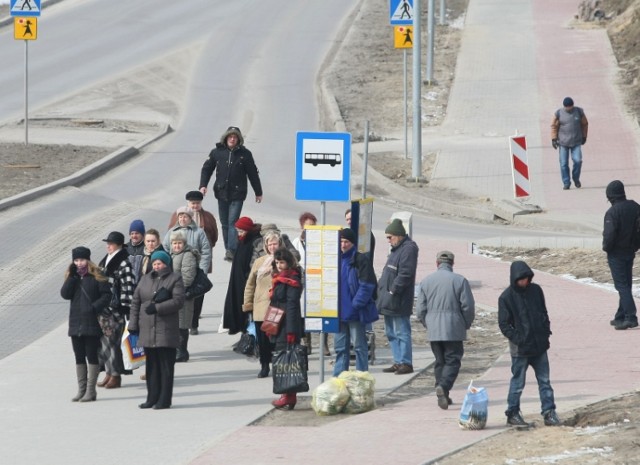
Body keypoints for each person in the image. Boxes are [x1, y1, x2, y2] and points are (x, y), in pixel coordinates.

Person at [498, 260, 560, 427]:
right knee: (518, 383)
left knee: (545, 382)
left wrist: (546, 331)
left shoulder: (536, 290)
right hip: (520, 349)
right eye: (521, 279)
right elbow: (504, 325)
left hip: (539, 345)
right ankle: (512, 413)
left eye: (527, 278)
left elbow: (543, 313)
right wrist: (519, 339)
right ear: (515, 279)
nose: (525, 282)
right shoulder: (506, 297)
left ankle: (549, 413)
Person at [416, 250, 475, 410]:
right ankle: (443, 386)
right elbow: (468, 307)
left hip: (434, 328)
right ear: (452, 264)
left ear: (437, 263)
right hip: (453, 327)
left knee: (440, 361)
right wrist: (465, 323)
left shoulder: (426, 281)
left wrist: (428, 323)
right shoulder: (460, 280)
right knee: (453, 360)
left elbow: (420, 309)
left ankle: (443, 393)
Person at [128, 250, 185, 410]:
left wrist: (158, 307)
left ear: (166, 264)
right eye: (154, 263)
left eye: (159, 263)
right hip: (147, 329)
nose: (156, 266)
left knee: (165, 366)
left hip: (165, 330)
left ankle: (164, 400)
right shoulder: (145, 279)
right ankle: (151, 398)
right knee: (151, 366)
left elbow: (179, 301)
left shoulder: (175, 278)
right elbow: (135, 303)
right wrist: (133, 324)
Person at [199, 126, 263, 262]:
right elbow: (206, 169)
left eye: (235, 137)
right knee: (224, 223)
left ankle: (232, 250)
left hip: (237, 194)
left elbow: (253, 174)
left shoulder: (245, 154)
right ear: (226, 138)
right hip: (221, 192)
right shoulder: (217, 152)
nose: (232, 139)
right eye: (230, 136)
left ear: (238, 140)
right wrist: (203, 185)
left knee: (233, 222)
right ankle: (229, 248)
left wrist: (258, 192)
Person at [60, 246, 112, 402]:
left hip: (92, 323)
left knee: (92, 356)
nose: (79, 263)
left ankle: (91, 391)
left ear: (88, 260)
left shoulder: (97, 275)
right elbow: (64, 294)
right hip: (76, 323)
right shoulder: (73, 276)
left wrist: (94, 307)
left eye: (81, 259)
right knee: (79, 357)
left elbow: (107, 295)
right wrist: (71, 278)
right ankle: (81, 390)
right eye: (76, 260)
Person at [167, 190, 218, 336]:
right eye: (192, 203)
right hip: (178, 266)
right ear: (187, 203)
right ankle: (181, 323)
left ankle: (194, 323)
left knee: (197, 294)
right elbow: (168, 240)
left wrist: (202, 267)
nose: (195, 206)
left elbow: (213, 237)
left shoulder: (207, 217)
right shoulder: (176, 217)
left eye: (197, 203)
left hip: (200, 265)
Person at [333, 228, 378, 376]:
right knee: (340, 349)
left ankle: (361, 377)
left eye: (346, 242)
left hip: (355, 313)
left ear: (352, 243)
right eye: (341, 241)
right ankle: (339, 379)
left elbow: (368, 285)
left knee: (359, 347)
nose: (343, 245)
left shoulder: (360, 260)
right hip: (338, 313)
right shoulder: (334, 258)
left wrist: (356, 304)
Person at [376, 218, 419, 375]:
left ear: (399, 235)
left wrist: (393, 292)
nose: (388, 240)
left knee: (401, 332)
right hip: (388, 299)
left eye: (390, 237)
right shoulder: (396, 249)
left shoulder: (408, 249)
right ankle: (398, 361)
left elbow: (405, 274)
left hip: (398, 300)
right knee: (391, 333)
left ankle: (406, 362)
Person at [97, 231, 136, 389]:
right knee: (104, 343)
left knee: (113, 343)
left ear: (119, 245)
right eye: (108, 243)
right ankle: (109, 372)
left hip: (116, 310)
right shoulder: (106, 260)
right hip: (105, 309)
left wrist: (125, 309)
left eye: (111, 243)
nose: (108, 246)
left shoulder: (124, 262)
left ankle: (116, 375)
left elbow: (129, 287)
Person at [243, 230, 284, 378]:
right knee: (262, 340)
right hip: (260, 306)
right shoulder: (259, 262)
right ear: (266, 246)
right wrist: (247, 304)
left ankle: (279, 364)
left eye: (275, 243)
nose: (273, 246)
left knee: (275, 338)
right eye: (270, 244)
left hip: (277, 306)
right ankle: (264, 365)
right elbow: (250, 284)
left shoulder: (286, 260)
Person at [269, 247, 304, 410]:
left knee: (288, 360)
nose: (279, 265)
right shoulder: (278, 278)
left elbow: (292, 306)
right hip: (277, 322)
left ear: (289, 262)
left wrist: (291, 331)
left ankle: (288, 395)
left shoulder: (292, 279)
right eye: (277, 262)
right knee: (283, 360)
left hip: (287, 324)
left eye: (282, 262)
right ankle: (287, 395)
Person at [603, 180, 640, 330]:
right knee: (625, 284)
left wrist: (606, 248)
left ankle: (631, 316)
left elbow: (610, 234)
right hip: (630, 251)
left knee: (622, 285)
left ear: (611, 196)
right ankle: (621, 315)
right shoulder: (635, 207)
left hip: (616, 253)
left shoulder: (612, 212)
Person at [223, 216, 263, 335]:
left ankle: (244, 328)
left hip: (246, 278)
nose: (239, 234)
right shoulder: (242, 240)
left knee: (245, 304)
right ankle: (236, 326)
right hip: (238, 278)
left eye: (241, 231)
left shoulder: (254, 241)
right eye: (238, 231)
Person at [291, 212, 321, 354]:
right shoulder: (296, 243)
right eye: (307, 226)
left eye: (313, 226)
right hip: (303, 281)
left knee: (320, 312)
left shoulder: (320, 240)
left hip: (317, 280)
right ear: (302, 226)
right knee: (304, 313)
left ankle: (324, 344)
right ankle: (307, 342)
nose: (310, 229)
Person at [169, 231, 199, 362]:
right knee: (176, 324)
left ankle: (182, 352)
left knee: (182, 324)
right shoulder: (172, 255)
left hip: (183, 295)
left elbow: (187, 278)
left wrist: (174, 289)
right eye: (174, 243)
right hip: (175, 295)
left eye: (179, 243)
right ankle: (178, 351)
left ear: (184, 243)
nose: (176, 246)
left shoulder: (187, 255)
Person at [551, 97, 588, 190]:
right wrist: (554, 139)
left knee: (578, 161)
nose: (569, 108)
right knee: (563, 163)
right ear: (564, 106)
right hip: (563, 143)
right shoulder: (558, 113)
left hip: (576, 142)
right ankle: (566, 182)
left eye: (571, 106)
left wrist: (584, 136)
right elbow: (554, 126)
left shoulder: (579, 112)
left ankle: (576, 179)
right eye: (567, 107)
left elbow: (585, 124)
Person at [163, 207, 211, 276]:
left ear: (190, 218)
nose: (182, 219)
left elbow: (206, 253)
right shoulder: (171, 232)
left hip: (194, 272)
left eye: (185, 217)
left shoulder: (199, 232)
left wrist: (202, 271)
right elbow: (165, 249)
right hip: (174, 272)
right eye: (180, 217)